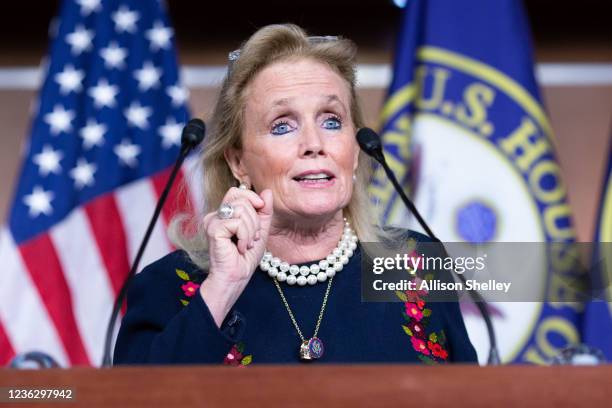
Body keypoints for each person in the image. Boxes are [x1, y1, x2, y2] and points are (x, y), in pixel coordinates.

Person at [113, 24, 477, 365]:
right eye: (282, 125)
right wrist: (223, 288)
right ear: (238, 161)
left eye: (332, 121)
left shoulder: (417, 265)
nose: (314, 144)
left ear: (354, 150)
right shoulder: (168, 285)